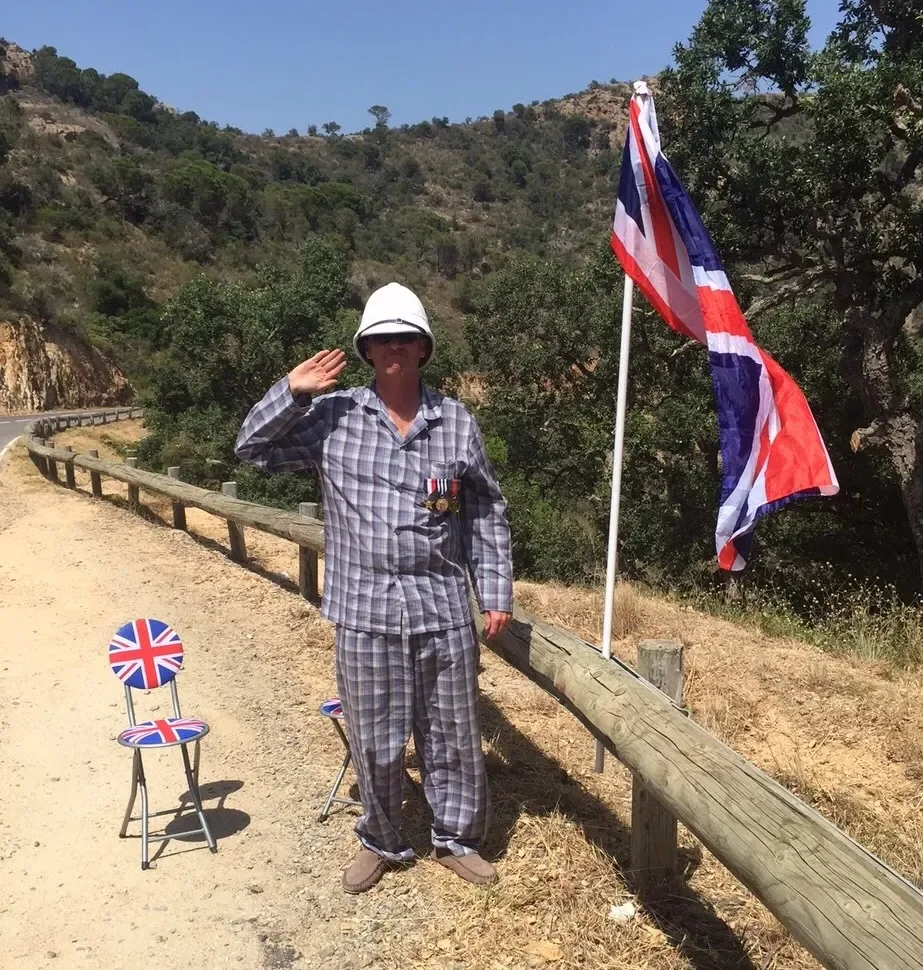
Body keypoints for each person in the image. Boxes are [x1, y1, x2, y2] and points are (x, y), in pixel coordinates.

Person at [235, 282, 513, 894]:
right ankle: (382, 839)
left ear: (422, 349)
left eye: (405, 338)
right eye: (382, 338)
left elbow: (486, 511)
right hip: (363, 610)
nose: (394, 348)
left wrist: (495, 590)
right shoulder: (333, 417)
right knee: (376, 735)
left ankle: (456, 838)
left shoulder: (455, 422)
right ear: (367, 350)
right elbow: (251, 450)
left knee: (453, 732)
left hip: (441, 605)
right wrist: (289, 393)